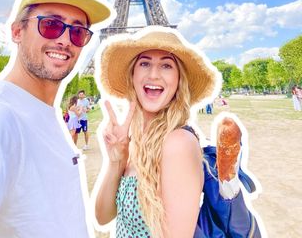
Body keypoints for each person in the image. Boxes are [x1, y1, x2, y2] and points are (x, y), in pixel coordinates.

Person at [93, 26, 263, 238]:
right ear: (133, 76)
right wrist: (116, 161)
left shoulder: (178, 143)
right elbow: (103, 217)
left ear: (178, 80)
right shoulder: (136, 142)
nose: (153, 74)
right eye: (144, 63)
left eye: (166, 65)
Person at [0, 0, 111, 237]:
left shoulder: (40, 111)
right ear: (17, 31)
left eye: (78, 31)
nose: (65, 40)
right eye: (51, 25)